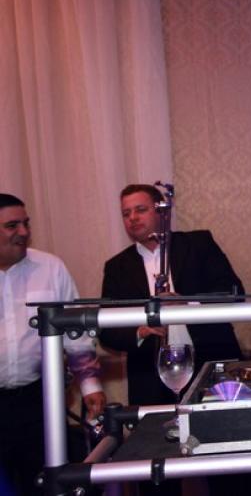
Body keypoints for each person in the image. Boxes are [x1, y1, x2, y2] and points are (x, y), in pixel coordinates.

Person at [99, 184, 243, 407]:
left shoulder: (198, 244)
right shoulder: (117, 266)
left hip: (211, 361)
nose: (133, 218)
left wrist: (187, 304)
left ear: (162, 212)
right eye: (126, 214)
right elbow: (106, 331)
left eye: (140, 210)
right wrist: (140, 331)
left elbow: (234, 292)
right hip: (150, 378)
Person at [0, 193, 106, 496]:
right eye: (12, 226)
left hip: (39, 400)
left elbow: (75, 332)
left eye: (26, 223)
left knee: (45, 483)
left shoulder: (50, 267)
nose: (23, 232)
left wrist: (90, 386)